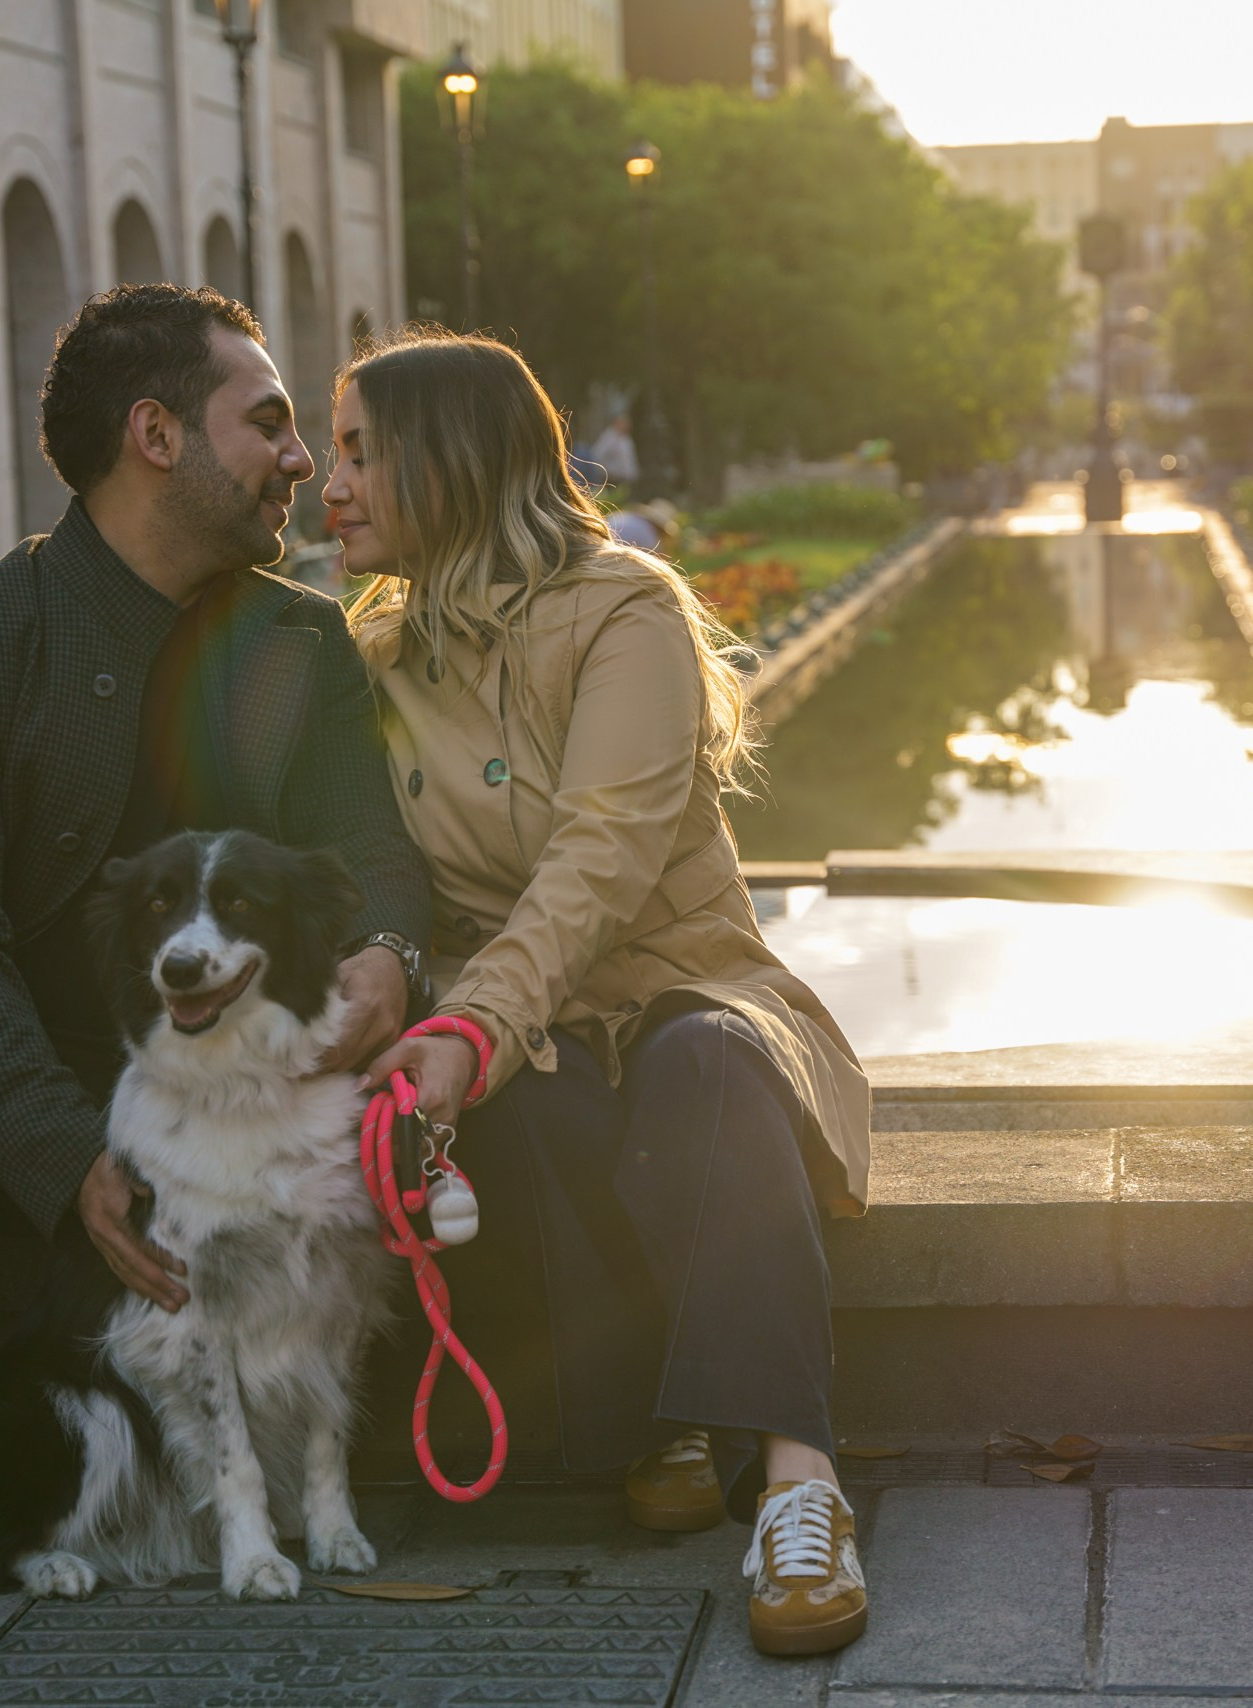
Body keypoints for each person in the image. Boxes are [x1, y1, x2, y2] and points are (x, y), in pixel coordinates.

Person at [0, 284, 432, 1573]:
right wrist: (73, 1160)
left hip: (240, 1090)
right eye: (269, 421)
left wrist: (391, 956)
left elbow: (374, 854)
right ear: (156, 434)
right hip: (18, 1072)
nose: (300, 457)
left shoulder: (300, 639)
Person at [325, 329, 874, 1658]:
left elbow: (598, 860)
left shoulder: (623, 609)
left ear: (447, 458)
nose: (324, 485)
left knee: (704, 1069)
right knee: (535, 1097)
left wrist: (468, 1023)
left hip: (685, 982)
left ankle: (802, 1487)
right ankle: (667, 1417)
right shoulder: (376, 652)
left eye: (356, 451)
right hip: (527, 1026)